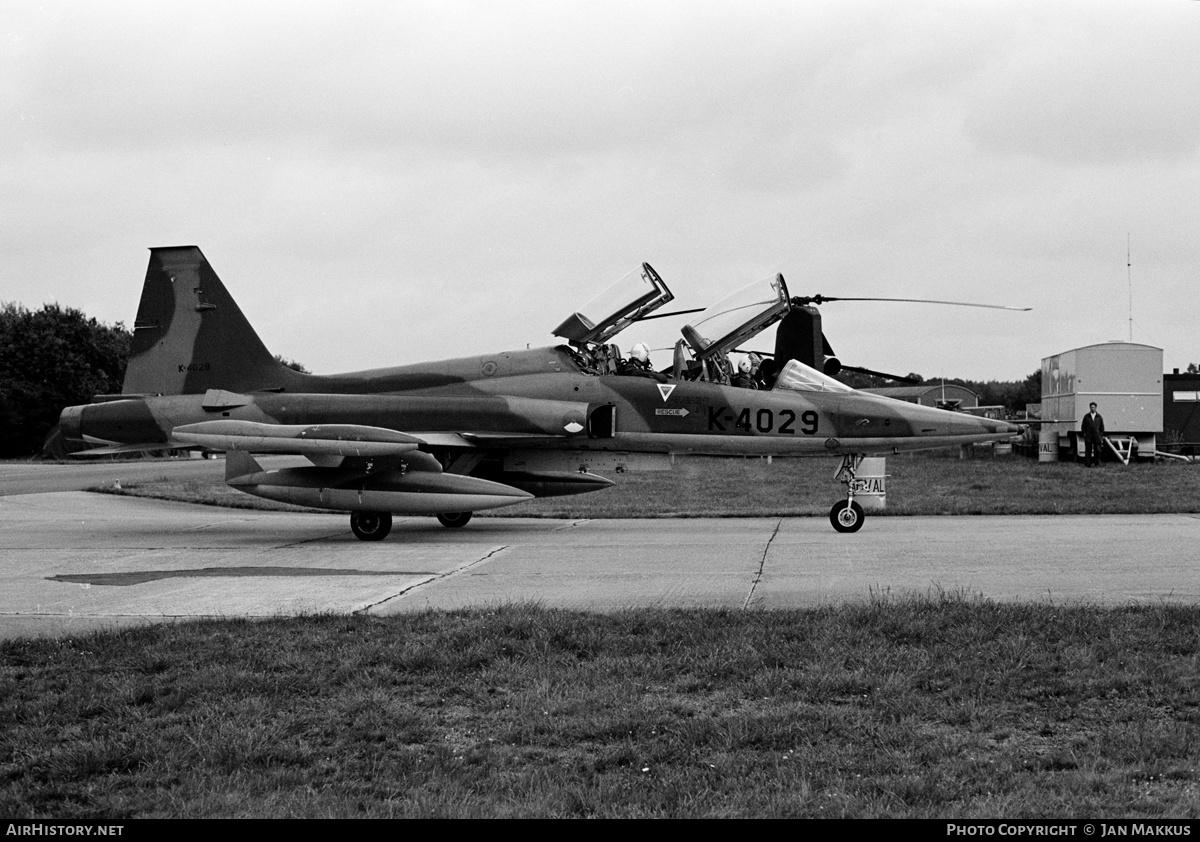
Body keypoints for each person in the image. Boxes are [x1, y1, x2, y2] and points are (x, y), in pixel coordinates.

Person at [1080, 401, 1105, 467]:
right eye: (1091, 407)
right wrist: (1084, 433)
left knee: (1097, 450)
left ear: (1096, 408)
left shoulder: (1099, 417)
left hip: (1097, 436)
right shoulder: (1086, 416)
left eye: (1094, 407)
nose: (1092, 408)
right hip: (1088, 436)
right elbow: (1083, 426)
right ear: (1090, 408)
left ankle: (1097, 464)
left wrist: (1101, 435)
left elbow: (1102, 426)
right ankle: (1088, 464)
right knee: (1088, 450)